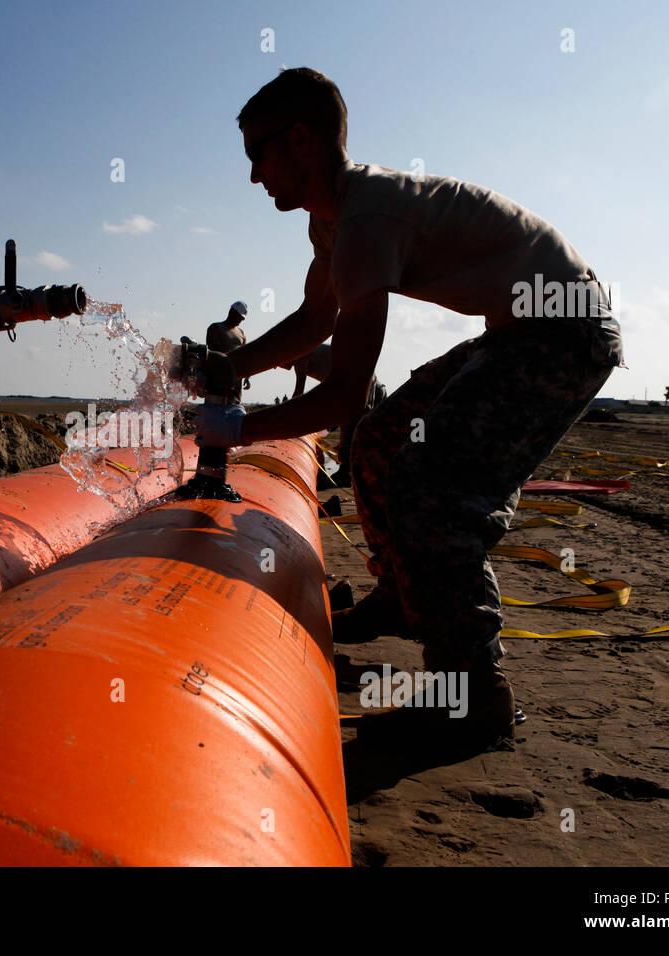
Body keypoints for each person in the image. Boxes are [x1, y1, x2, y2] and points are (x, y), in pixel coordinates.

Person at [193, 68, 624, 750]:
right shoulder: (330, 223)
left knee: (434, 487)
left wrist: (238, 431)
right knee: (381, 440)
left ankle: (474, 695)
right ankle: (401, 595)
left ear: (299, 140)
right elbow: (313, 322)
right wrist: (224, 368)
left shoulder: (366, 218)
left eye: (257, 155)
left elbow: (343, 393)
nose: (253, 176)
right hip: (517, 327)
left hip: (565, 331)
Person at [287, 342, 386, 486]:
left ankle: (346, 474)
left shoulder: (302, 356)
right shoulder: (313, 351)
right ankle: (360, 472)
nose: (278, 366)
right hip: (370, 385)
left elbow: (298, 394)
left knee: (352, 430)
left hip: (362, 386)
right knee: (362, 432)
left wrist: (289, 422)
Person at [206, 300, 251, 398]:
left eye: (243, 318)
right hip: (219, 377)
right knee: (218, 403)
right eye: (240, 317)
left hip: (237, 378)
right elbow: (211, 352)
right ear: (232, 312)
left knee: (235, 404)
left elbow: (244, 354)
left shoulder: (241, 333)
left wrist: (248, 376)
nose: (241, 320)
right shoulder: (216, 327)